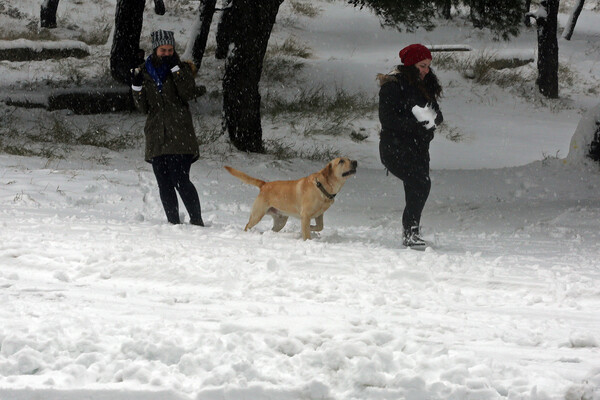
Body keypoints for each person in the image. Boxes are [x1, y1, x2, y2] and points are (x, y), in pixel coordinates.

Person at [131, 30, 204, 226]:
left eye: (170, 49)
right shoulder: (144, 72)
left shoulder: (182, 69)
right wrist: (136, 87)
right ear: (155, 49)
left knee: (180, 179)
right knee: (164, 183)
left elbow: (188, 93)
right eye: (163, 50)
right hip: (156, 135)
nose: (167, 53)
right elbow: (143, 107)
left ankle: (197, 221)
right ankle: (173, 224)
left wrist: (176, 71)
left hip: (180, 133)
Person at [377, 44, 443, 248]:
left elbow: (437, 115)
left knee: (416, 188)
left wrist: (433, 120)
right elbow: (387, 119)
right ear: (410, 65)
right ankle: (410, 232)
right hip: (394, 148)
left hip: (419, 148)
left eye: (428, 66)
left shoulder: (425, 84)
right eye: (422, 66)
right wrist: (417, 125)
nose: (426, 70)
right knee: (421, 184)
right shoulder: (392, 85)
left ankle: (412, 231)